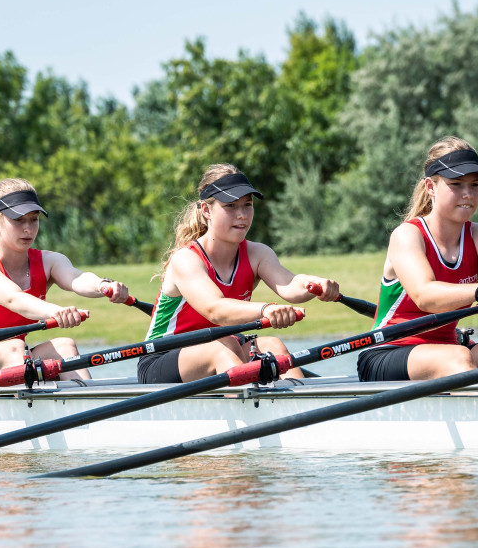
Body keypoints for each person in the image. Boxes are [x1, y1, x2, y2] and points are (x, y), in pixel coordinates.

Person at [356, 136, 478, 382]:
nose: (468, 194)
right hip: (388, 352)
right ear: (431, 187)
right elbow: (425, 296)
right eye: (456, 184)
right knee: (458, 358)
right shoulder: (407, 235)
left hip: (450, 347)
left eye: (475, 184)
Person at [137, 164, 340, 383]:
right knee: (222, 349)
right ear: (206, 211)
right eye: (231, 206)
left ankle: (298, 401)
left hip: (226, 346)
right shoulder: (186, 259)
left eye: (247, 205)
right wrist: (265, 309)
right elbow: (215, 309)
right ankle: (246, 399)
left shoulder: (257, 253)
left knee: (272, 345)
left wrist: (315, 284)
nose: (242, 215)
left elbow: (290, 284)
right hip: (162, 358)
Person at [0, 178, 131, 384]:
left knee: (65, 346)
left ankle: (86, 399)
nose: (28, 228)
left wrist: (103, 285)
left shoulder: (48, 261)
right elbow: (14, 299)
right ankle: (31, 399)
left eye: (34, 219)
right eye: (18, 220)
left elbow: (76, 278)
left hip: (15, 359)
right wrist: (56, 312)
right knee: (14, 347)